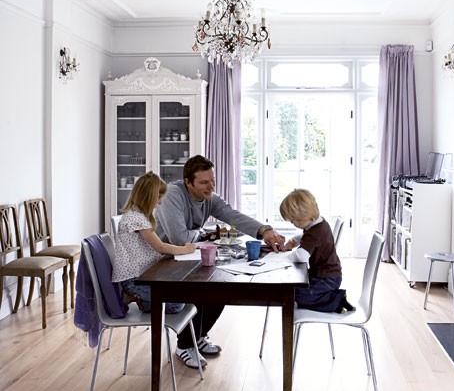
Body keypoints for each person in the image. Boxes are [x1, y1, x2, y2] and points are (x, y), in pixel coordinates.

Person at [155, 155, 286, 368]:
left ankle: (197, 336)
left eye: (212, 181)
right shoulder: (172, 195)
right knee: (203, 290)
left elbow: (233, 215)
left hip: (188, 256)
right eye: (204, 182)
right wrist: (207, 235)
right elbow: (178, 238)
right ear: (189, 182)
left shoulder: (209, 198)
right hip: (164, 261)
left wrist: (265, 230)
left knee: (221, 286)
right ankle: (184, 345)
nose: (210, 187)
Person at [111, 172, 205, 367]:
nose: (160, 203)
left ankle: (144, 300)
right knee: (179, 305)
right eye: (159, 198)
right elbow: (160, 246)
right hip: (135, 280)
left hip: (144, 276)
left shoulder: (138, 216)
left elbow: (151, 249)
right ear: (149, 196)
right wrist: (186, 249)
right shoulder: (136, 219)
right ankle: (141, 300)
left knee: (185, 294)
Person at [280, 188, 354, 313]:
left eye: (294, 220)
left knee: (295, 295)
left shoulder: (314, 233)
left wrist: (284, 257)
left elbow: (302, 256)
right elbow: (306, 237)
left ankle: (335, 301)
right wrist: (294, 241)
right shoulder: (320, 224)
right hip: (327, 275)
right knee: (296, 289)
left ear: (304, 216)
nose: (292, 223)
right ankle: (331, 298)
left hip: (326, 279)